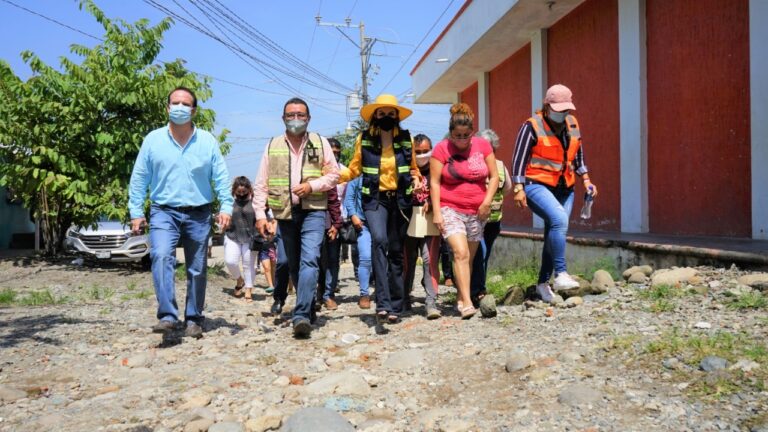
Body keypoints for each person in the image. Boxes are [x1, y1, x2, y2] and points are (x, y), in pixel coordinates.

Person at [129, 86, 232, 339]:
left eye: (185, 104)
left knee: (197, 268)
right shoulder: (152, 140)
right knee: (161, 256)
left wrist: (226, 207)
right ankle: (167, 316)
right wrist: (135, 211)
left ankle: (194, 317)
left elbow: (220, 176)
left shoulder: (207, 141)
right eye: (175, 103)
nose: (179, 108)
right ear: (167, 108)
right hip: (164, 211)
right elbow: (140, 177)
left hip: (199, 213)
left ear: (194, 110)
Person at [252, 97, 339, 338]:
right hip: (285, 214)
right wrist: (260, 215)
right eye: (291, 115)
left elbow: (334, 175)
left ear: (308, 118)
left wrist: (312, 186)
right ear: (283, 118)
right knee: (292, 263)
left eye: (301, 115)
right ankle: (308, 304)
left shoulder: (320, 142)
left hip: (313, 211)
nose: (296, 119)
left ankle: (300, 315)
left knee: (310, 260)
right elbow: (261, 184)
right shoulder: (272, 145)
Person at [510, 84, 598, 302]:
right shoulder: (531, 126)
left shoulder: (572, 124)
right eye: (558, 109)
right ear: (547, 106)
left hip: (565, 186)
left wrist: (586, 179)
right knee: (559, 219)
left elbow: (578, 156)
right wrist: (519, 188)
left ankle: (542, 284)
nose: (562, 114)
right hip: (536, 184)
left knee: (555, 230)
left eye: (566, 109)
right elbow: (518, 159)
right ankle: (560, 273)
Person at [339, 94, 421, 324]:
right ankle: (382, 303)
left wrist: (417, 179)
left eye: (390, 113)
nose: (386, 117)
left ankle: (396, 305)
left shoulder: (406, 139)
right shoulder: (364, 139)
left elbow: (413, 168)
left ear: (397, 116)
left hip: (401, 201)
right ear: (375, 116)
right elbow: (354, 169)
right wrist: (332, 176)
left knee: (396, 250)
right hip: (375, 200)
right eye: (382, 113)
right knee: (379, 240)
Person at [430, 103, 499, 319]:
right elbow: (434, 182)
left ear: (472, 133)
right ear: (450, 132)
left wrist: (487, 202)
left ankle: (461, 296)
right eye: (457, 135)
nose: (461, 140)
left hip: (477, 211)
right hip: (450, 208)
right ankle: (467, 303)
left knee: (468, 258)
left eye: (465, 135)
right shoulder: (441, 149)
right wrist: (438, 213)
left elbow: (495, 176)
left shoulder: (482, 146)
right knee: (460, 253)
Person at [470, 129, 512, 316]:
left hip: (494, 220)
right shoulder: (473, 166)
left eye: (489, 148)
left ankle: (476, 288)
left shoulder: (500, 167)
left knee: (483, 256)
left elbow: (508, 187)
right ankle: (477, 291)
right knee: (480, 253)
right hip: (476, 219)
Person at [403, 134, 442, 319]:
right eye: (417, 152)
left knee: (429, 259)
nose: (421, 155)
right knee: (406, 260)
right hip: (408, 220)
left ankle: (431, 301)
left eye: (425, 151)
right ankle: (403, 298)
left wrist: (433, 202)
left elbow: (446, 190)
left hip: (430, 221)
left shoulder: (438, 169)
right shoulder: (406, 169)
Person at [317, 138, 346, 310]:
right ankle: (317, 293)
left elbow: (345, 199)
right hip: (316, 222)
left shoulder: (345, 173)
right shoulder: (316, 170)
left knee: (333, 260)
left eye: (337, 151)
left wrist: (338, 223)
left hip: (336, 222)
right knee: (316, 259)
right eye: (331, 151)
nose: (335, 154)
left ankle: (328, 294)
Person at [223, 176, 258, 302]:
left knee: (248, 265)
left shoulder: (255, 203)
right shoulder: (228, 203)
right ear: (234, 191)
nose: (242, 194)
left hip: (250, 238)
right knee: (230, 261)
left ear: (249, 190)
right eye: (239, 192)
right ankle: (239, 279)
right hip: (232, 236)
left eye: (244, 192)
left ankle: (249, 289)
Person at [343, 175, 372, 309]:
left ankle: (384, 291)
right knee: (365, 258)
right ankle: (364, 294)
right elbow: (348, 198)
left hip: (382, 223)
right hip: (363, 225)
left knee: (383, 258)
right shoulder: (356, 176)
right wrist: (353, 215)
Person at [259, 204, 277, 295]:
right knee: (266, 267)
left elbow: (274, 230)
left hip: (271, 246)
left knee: (273, 266)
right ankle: (271, 286)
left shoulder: (271, 217)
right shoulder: (256, 216)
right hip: (261, 246)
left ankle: (274, 285)